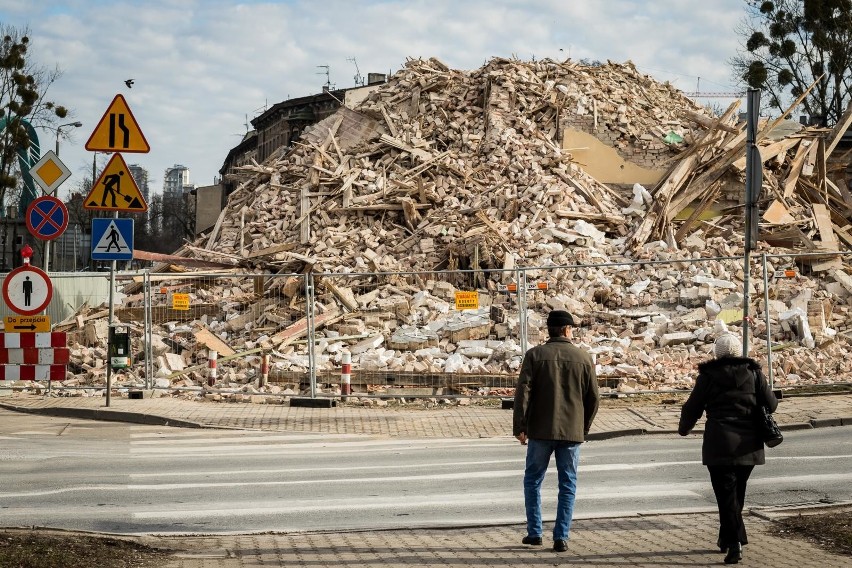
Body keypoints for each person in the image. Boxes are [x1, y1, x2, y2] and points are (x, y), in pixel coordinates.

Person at [678, 333, 779, 565]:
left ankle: (734, 544)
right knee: (735, 495)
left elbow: (692, 407)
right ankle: (728, 538)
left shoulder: (708, 377)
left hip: (719, 444)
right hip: (748, 445)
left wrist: (684, 428)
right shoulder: (754, 374)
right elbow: (771, 405)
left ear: (717, 353)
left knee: (726, 497)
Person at [513, 310, 600, 553]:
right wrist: (583, 426)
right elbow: (594, 398)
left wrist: (520, 426)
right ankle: (561, 537)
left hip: (539, 431)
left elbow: (523, 393)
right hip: (571, 433)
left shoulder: (535, 355)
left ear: (549, 330)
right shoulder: (583, 358)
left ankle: (535, 532)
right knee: (568, 484)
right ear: (566, 330)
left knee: (532, 480)